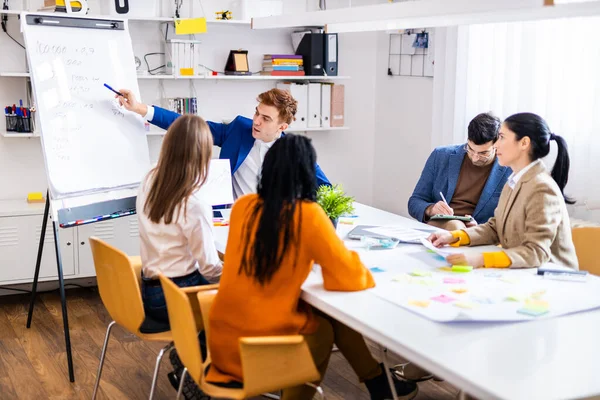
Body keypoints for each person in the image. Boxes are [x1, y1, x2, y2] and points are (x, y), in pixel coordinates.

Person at [207, 134, 418, 400]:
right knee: (324, 330)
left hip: (223, 342)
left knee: (325, 317)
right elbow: (348, 278)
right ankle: (374, 384)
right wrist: (343, 254)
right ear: (307, 173)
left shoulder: (243, 207)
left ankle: (379, 385)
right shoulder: (307, 214)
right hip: (257, 349)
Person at [117, 88, 331, 201]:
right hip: (231, 219)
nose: (256, 120)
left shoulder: (296, 152)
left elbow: (326, 189)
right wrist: (140, 108)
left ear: (282, 127)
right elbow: (188, 125)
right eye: (257, 112)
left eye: (266, 119)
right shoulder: (239, 129)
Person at [137, 115, 222, 397]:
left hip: (151, 290)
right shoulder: (194, 203)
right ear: (203, 155)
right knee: (236, 298)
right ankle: (200, 374)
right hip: (176, 296)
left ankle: (187, 355)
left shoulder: (150, 178)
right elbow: (210, 268)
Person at [428, 112, 579, 270]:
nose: (496, 145)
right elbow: (495, 227)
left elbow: (536, 252)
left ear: (524, 143)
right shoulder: (514, 180)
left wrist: (481, 259)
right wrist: (453, 236)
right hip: (523, 272)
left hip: (552, 278)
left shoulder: (542, 187)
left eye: (502, 137)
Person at [408, 113, 511, 230]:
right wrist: (431, 209)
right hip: (441, 227)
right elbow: (414, 202)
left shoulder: (509, 169)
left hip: (478, 233)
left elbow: (511, 221)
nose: (475, 157)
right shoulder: (441, 156)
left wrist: (481, 229)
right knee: (455, 225)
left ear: (497, 145)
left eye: (483, 153)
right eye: (470, 149)